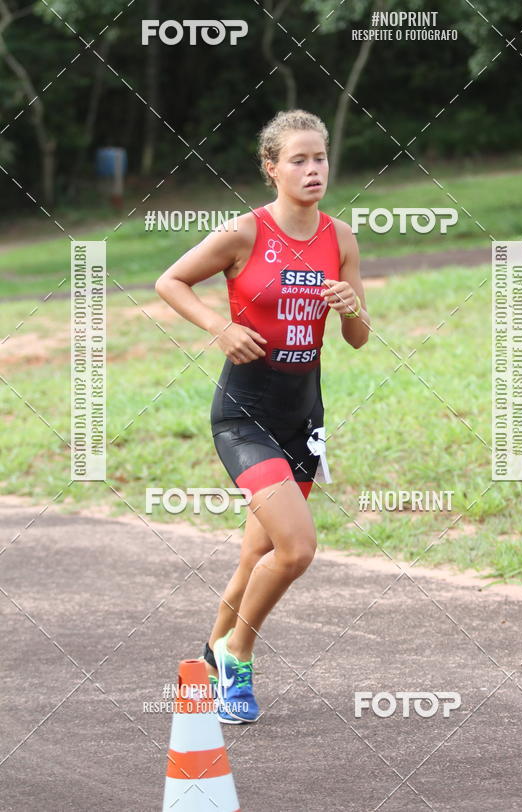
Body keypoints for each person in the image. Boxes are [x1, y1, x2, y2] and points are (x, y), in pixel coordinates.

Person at [155, 109, 370, 724]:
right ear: (271, 168)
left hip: (303, 416)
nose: (313, 169)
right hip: (244, 414)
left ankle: (204, 662)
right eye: (298, 160)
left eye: (320, 158)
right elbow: (170, 281)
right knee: (296, 550)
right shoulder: (243, 233)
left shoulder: (341, 238)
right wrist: (219, 327)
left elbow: (356, 338)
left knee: (257, 558)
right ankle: (238, 659)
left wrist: (352, 304)